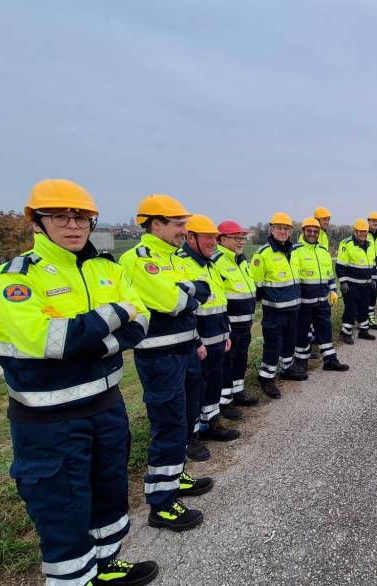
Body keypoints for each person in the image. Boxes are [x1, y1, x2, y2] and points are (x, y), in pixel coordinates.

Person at [0, 179, 158, 585]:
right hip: (49, 423)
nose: (73, 225)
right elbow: (50, 341)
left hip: (106, 408)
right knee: (63, 512)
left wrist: (94, 340)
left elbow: (143, 319)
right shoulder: (14, 277)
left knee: (109, 495)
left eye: (81, 217)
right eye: (60, 216)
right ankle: (72, 578)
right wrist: (116, 313)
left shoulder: (107, 268)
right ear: (37, 222)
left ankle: (105, 566)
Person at [120, 194, 213, 532]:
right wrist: (186, 293)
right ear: (154, 223)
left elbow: (203, 291)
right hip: (159, 356)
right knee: (168, 423)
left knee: (186, 416)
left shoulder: (175, 257)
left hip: (186, 349)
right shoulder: (139, 259)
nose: (183, 230)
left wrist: (187, 292)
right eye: (178, 224)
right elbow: (172, 301)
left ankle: (176, 476)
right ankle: (162, 504)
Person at [179, 214, 242, 445]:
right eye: (207, 238)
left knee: (214, 382)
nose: (212, 243)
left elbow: (220, 301)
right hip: (198, 341)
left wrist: (226, 332)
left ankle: (211, 423)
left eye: (215, 238)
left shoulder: (211, 265)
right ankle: (192, 435)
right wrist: (196, 341)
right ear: (191, 237)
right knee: (196, 388)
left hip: (218, 335)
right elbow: (184, 310)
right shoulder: (182, 263)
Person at [251, 212, 306, 399]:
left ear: (291, 231)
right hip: (274, 311)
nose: (283, 231)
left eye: (286, 228)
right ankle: (266, 378)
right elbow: (256, 286)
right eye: (279, 228)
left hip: (293, 308)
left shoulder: (293, 251)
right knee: (273, 345)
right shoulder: (263, 254)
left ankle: (287, 369)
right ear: (271, 229)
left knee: (289, 342)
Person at [213, 221, 261, 410]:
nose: (241, 242)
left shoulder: (240, 259)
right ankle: (224, 402)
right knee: (226, 362)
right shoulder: (217, 261)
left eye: (242, 238)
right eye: (236, 238)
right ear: (222, 239)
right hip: (229, 325)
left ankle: (238, 391)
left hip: (245, 322)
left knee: (241, 357)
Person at [293, 217, 350, 373]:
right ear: (303, 231)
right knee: (302, 332)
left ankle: (330, 360)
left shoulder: (323, 251)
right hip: (304, 302)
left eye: (315, 231)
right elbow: (294, 278)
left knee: (325, 330)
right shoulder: (296, 250)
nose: (312, 233)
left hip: (322, 300)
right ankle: (301, 362)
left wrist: (333, 290)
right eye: (309, 231)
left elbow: (329, 274)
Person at [335, 219, 377, 344]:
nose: (364, 234)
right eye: (361, 231)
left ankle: (363, 331)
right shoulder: (346, 244)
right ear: (355, 231)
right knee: (351, 309)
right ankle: (346, 333)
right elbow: (340, 266)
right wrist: (343, 282)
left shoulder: (370, 245)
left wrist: (373, 278)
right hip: (351, 285)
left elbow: (373, 264)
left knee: (364, 308)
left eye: (365, 232)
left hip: (366, 284)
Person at [365, 211, 377, 330]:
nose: (375, 223)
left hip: (376, 273)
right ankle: (362, 319)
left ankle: (370, 319)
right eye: (373, 221)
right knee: (364, 297)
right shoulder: (364, 233)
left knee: (373, 297)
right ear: (368, 221)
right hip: (365, 271)